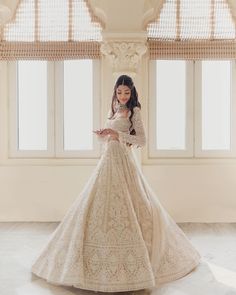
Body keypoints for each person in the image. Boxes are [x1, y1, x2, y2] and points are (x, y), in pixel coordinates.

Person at [31, 75, 201, 293]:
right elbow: (108, 138)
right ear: (115, 92)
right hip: (107, 159)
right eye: (119, 92)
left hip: (122, 160)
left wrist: (116, 133)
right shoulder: (112, 108)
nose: (122, 96)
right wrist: (104, 134)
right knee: (94, 205)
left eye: (126, 92)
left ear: (132, 93)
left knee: (132, 205)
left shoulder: (134, 111)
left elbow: (141, 140)